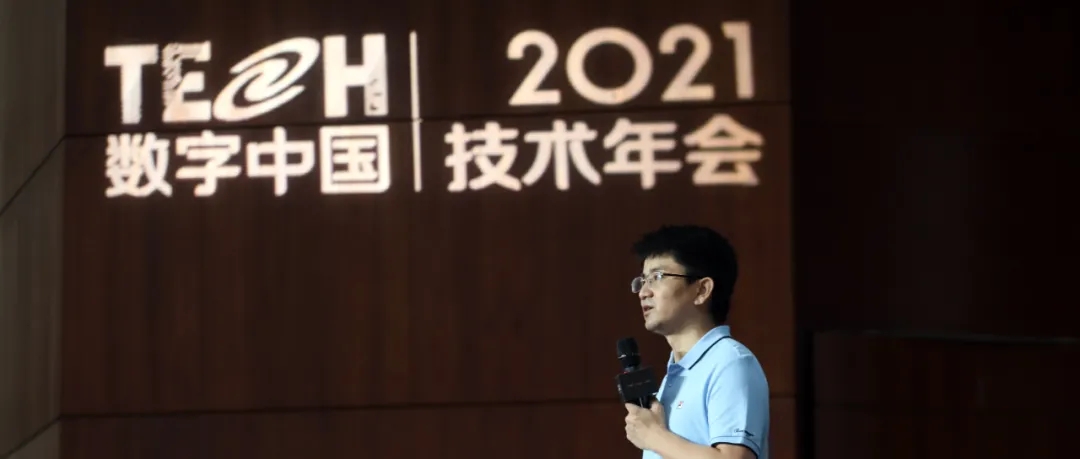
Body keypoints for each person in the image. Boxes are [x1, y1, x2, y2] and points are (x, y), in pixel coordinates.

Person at [622, 225, 770, 459]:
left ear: (702, 290)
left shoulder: (730, 362)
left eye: (657, 277)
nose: (643, 292)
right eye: (643, 280)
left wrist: (654, 437)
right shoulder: (676, 373)